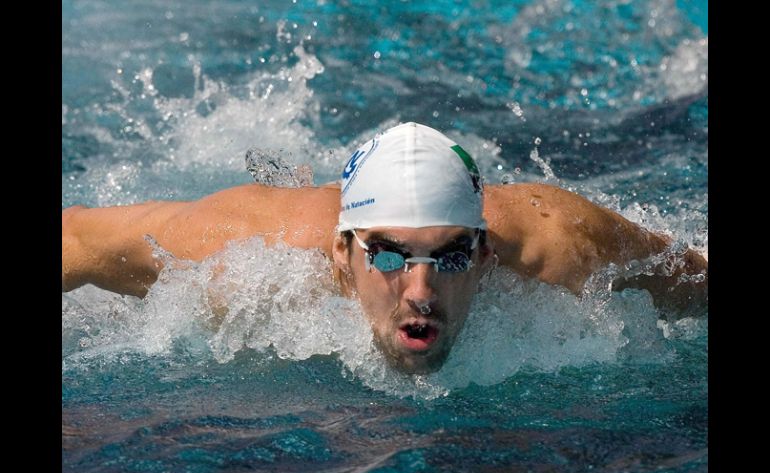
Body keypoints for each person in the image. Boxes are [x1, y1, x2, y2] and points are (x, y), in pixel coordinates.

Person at [62, 122, 708, 374]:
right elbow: (74, 233)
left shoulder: (561, 243)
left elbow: (697, 280)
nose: (420, 292)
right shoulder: (238, 251)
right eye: (390, 256)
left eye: (450, 256)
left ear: (486, 256)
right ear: (342, 254)